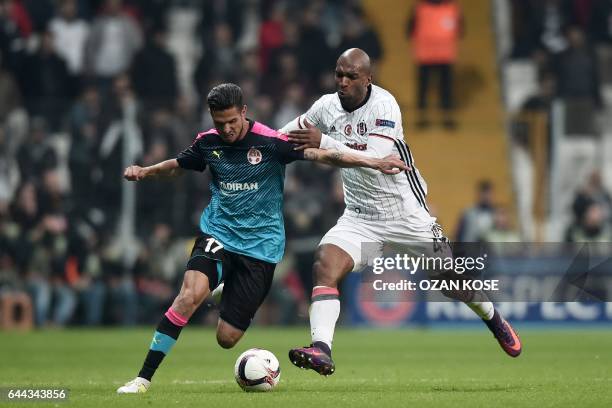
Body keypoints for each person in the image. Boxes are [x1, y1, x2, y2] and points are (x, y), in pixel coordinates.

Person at [116, 83, 407, 393]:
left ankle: (223, 288)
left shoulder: (272, 142)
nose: (226, 129)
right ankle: (142, 378)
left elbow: (325, 155)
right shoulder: (207, 143)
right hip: (219, 234)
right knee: (188, 296)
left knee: (226, 339)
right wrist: (146, 171)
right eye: (219, 123)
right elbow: (177, 166)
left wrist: (373, 161)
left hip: (261, 249)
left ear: (244, 112)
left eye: (232, 121)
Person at [281, 48, 522, 376]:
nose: (343, 81)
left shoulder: (385, 105)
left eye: (351, 76)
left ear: (368, 78)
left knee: (451, 281)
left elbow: (376, 159)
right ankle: (322, 349)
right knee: (325, 265)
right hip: (360, 216)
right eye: (339, 74)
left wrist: (321, 143)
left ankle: (493, 319)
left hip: (406, 214)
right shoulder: (325, 107)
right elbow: (284, 135)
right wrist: (252, 145)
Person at [407, 0, 463, 129]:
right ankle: (426, 118)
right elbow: (460, 30)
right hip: (430, 55)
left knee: (441, 89)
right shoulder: (421, 8)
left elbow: (409, 30)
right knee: (429, 89)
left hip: (439, 55)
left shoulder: (421, 8)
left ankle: (442, 118)